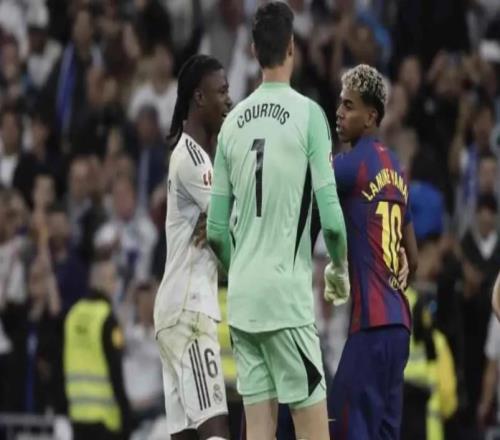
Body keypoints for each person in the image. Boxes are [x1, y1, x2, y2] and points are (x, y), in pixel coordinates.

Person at [207, 3, 349, 439]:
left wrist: (240, 270)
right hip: (286, 301)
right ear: (292, 48)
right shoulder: (309, 116)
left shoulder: (231, 124)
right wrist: (338, 267)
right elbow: (333, 222)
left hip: (244, 302)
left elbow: (215, 232)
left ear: (253, 51)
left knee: (258, 432)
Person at [328, 63, 419, 440]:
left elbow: (304, 183)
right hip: (400, 328)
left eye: (349, 106)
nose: (339, 112)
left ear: (371, 116)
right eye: (340, 103)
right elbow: (413, 258)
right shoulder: (396, 167)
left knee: (339, 425)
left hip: (370, 326)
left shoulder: (350, 165)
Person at [153, 54, 232, 440]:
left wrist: (221, 218)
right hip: (190, 311)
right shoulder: (195, 161)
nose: (229, 100)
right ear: (199, 97)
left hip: (175, 310)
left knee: (185, 435)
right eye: (222, 91)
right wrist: (224, 221)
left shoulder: (192, 156)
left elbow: (220, 221)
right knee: (216, 428)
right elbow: (228, 229)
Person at [63, 258, 131, 440]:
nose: (116, 285)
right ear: (101, 282)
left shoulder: (73, 314)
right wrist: (126, 414)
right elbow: (115, 370)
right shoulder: (107, 318)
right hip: (105, 418)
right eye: (113, 278)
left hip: (77, 415)